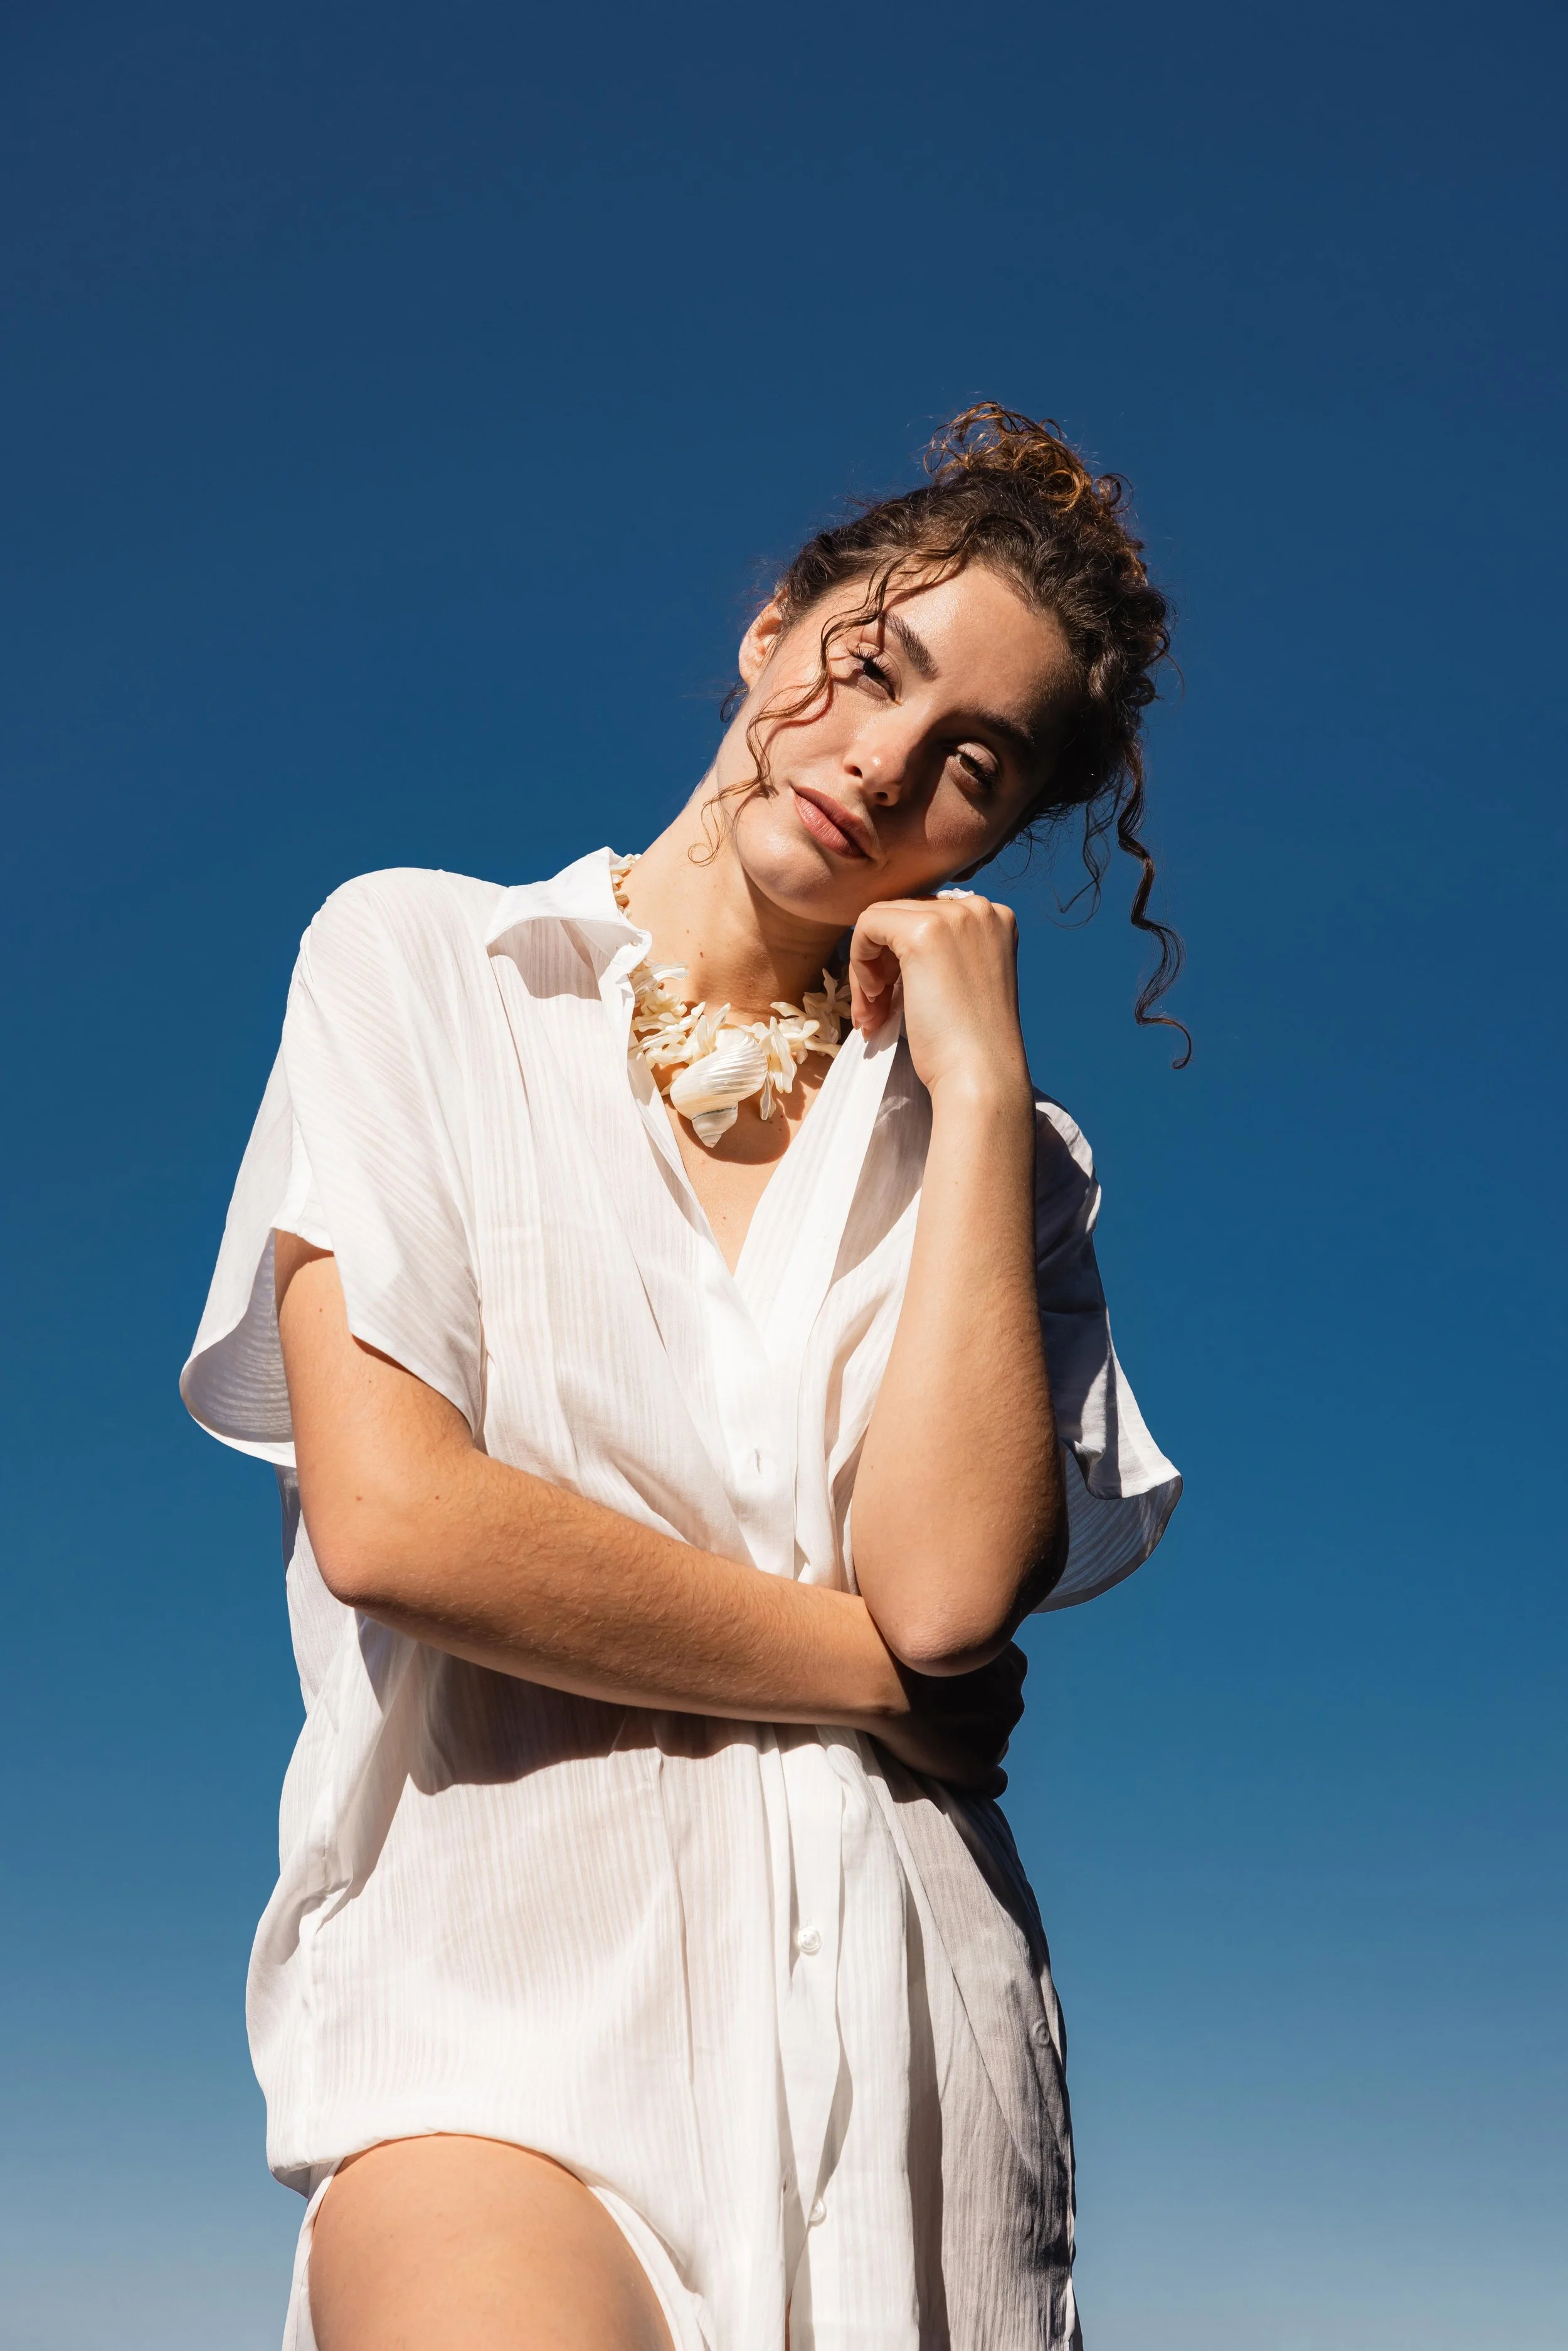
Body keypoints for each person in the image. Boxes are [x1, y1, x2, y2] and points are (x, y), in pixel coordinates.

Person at [182, 403, 1184, 2351]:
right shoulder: (420, 967)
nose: (882, 761)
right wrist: (885, 1689)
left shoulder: (1009, 1162)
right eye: (869, 666)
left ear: (1001, 836)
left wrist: (975, 1090)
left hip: (910, 2071)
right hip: (495, 2026)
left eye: (970, 764)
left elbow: (951, 1584)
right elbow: (399, 1520)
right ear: (772, 624)